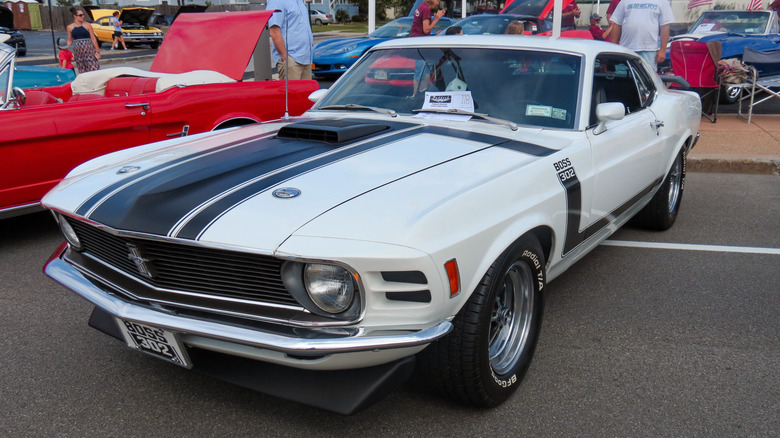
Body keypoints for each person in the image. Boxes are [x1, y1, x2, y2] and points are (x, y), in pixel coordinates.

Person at [609, 0, 674, 71]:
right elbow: (617, 24)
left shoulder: (662, 2)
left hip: (649, 51)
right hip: (625, 50)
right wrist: (613, 48)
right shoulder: (624, 1)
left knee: (647, 80)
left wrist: (662, 50)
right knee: (623, 79)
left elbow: (665, 27)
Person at [266, 0, 314, 80]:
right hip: (291, 59)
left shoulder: (299, 2)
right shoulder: (277, 1)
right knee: (292, 92)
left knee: (306, 92)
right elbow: (274, 31)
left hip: (306, 59)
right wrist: (285, 58)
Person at [66, 7, 100, 74]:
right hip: (78, 52)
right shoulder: (70, 27)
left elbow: (93, 38)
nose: (82, 16)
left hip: (89, 50)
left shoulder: (87, 25)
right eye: (80, 15)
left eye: (83, 15)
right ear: (75, 16)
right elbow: (70, 40)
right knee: (82, 70)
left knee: (93, 67)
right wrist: (63, 49)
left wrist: (97, 51)